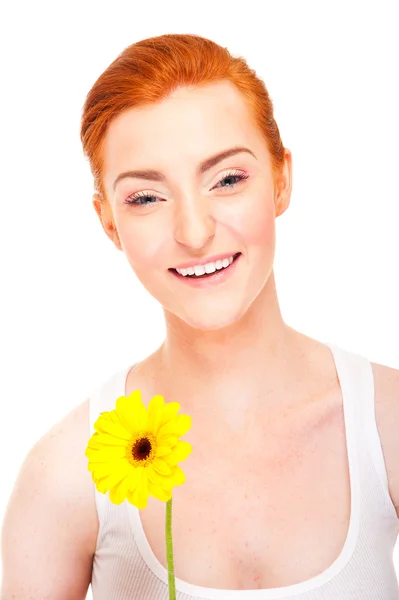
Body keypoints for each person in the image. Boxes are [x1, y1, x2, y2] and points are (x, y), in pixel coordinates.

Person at [1, 32, 399, 600]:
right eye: (145, 198)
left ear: (282, 179)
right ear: (109, 222)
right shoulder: (64, 476)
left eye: (228, 180)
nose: (194, 232)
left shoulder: (388, 422)